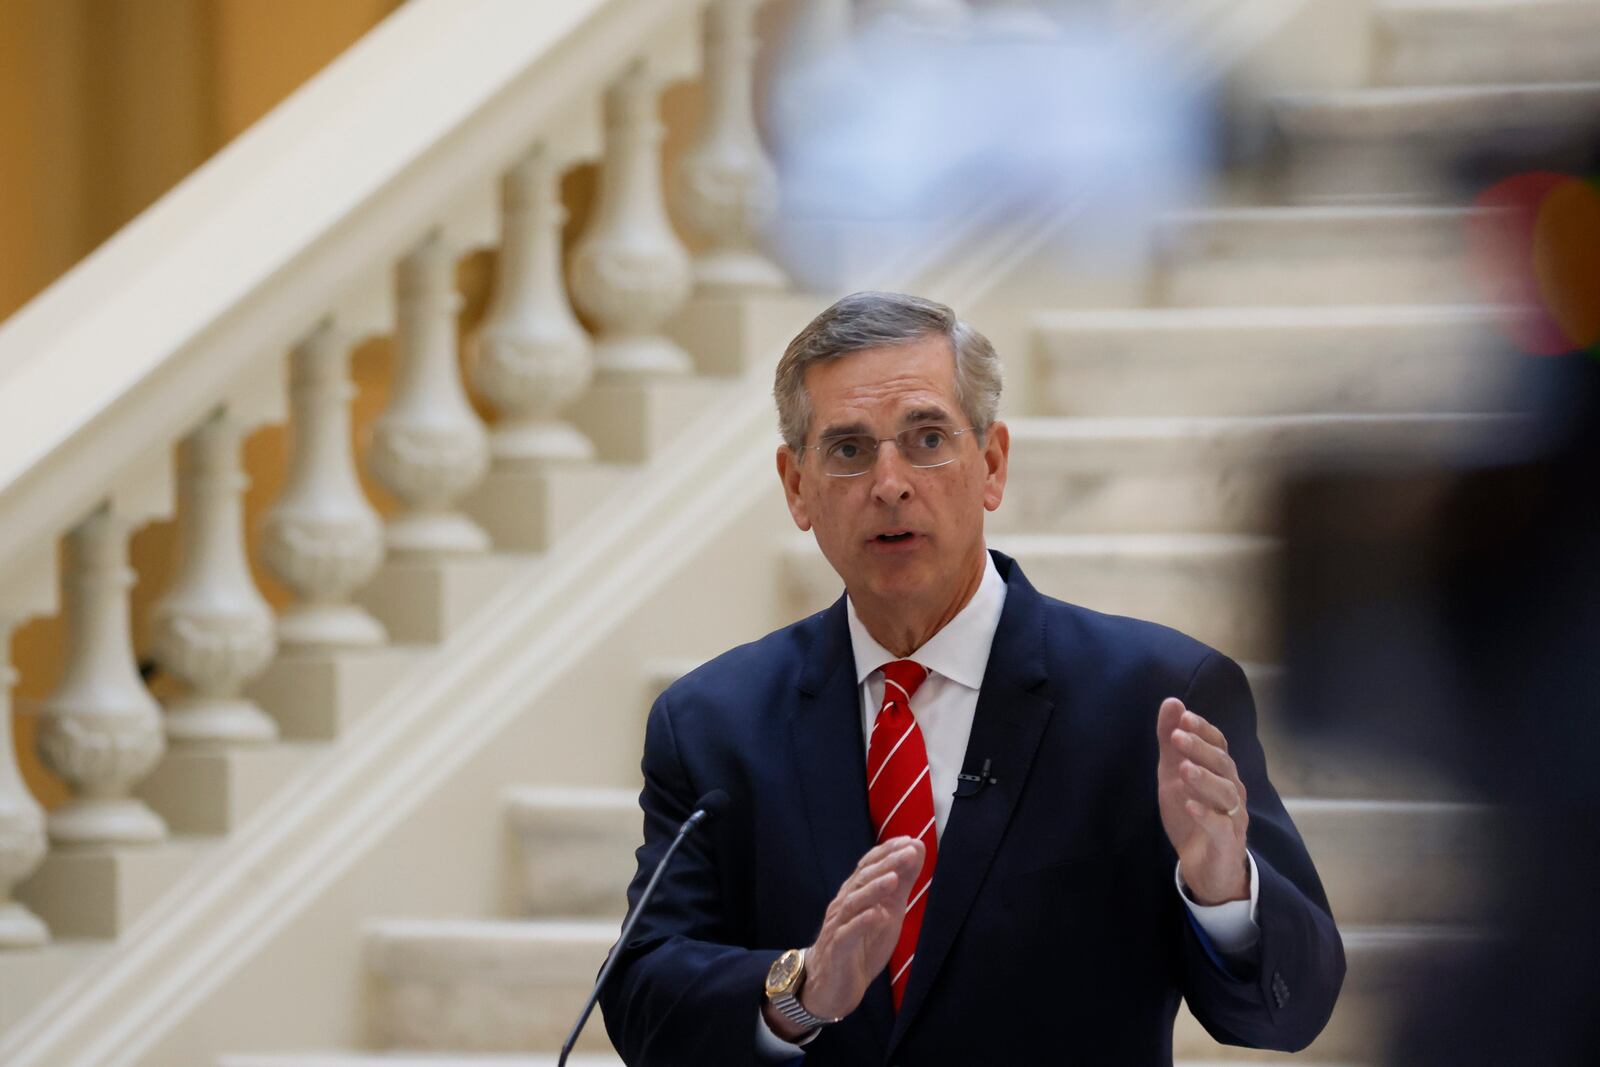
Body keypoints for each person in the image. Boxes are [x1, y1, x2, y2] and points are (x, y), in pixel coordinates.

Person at [598, 291, 1345, 1065]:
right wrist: (799, 991)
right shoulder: (713, 724)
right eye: (849, 450)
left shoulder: (1152, 696)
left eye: (926, 439)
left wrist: (1225, 891)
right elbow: (642, 992)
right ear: (796, 486)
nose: (889, 482)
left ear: (991, 464)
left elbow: (1292, 1011)